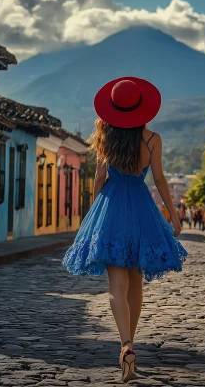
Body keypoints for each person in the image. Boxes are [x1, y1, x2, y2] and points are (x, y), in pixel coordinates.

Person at [62, 77, 188, 383]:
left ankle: (125, 345)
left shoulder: (105, 136)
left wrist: (95, 213)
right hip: (142, 210)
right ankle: (131, 342)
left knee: (115, 287)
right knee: (136, 284)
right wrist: (173, 215)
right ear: (141, 107)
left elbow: (99, 179)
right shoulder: (152, 139)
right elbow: (158, 179)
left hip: (111, 208)